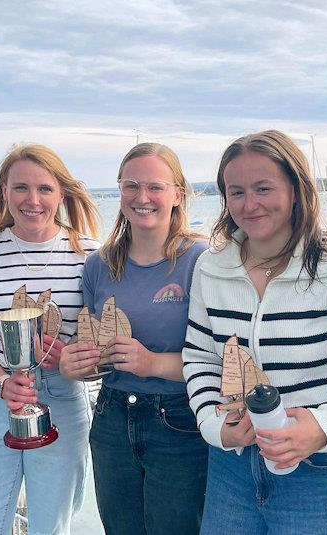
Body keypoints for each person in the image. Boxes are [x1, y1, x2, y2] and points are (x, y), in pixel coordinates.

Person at [183, 130, 327, 535]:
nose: (249, 204)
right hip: (233, 466)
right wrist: (213, 424)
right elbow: (201, 356)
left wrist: (324, 428)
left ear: (296, 190)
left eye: (263, 188)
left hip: (326, 468)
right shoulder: (211, 267)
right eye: (236, 191)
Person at [60, 143, 209, 535]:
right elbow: (93, 352)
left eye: (155, 187)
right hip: (111, 417)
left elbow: (220, 358)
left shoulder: (202, 260)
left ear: (178, 194)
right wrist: (76, 364)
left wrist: (153, 364)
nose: (142, 198)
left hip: (180, 420)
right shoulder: (98, 265)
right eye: (131, 186)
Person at [0, 144, 101, 535]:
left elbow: (98, 345)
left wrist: (69, 357)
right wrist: (3, 384)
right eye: (20, 188)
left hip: (63, 399)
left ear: (61, 194)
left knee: (51, 526)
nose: (32, 200)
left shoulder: (91, 255)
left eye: (44, 189)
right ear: (4, 192)